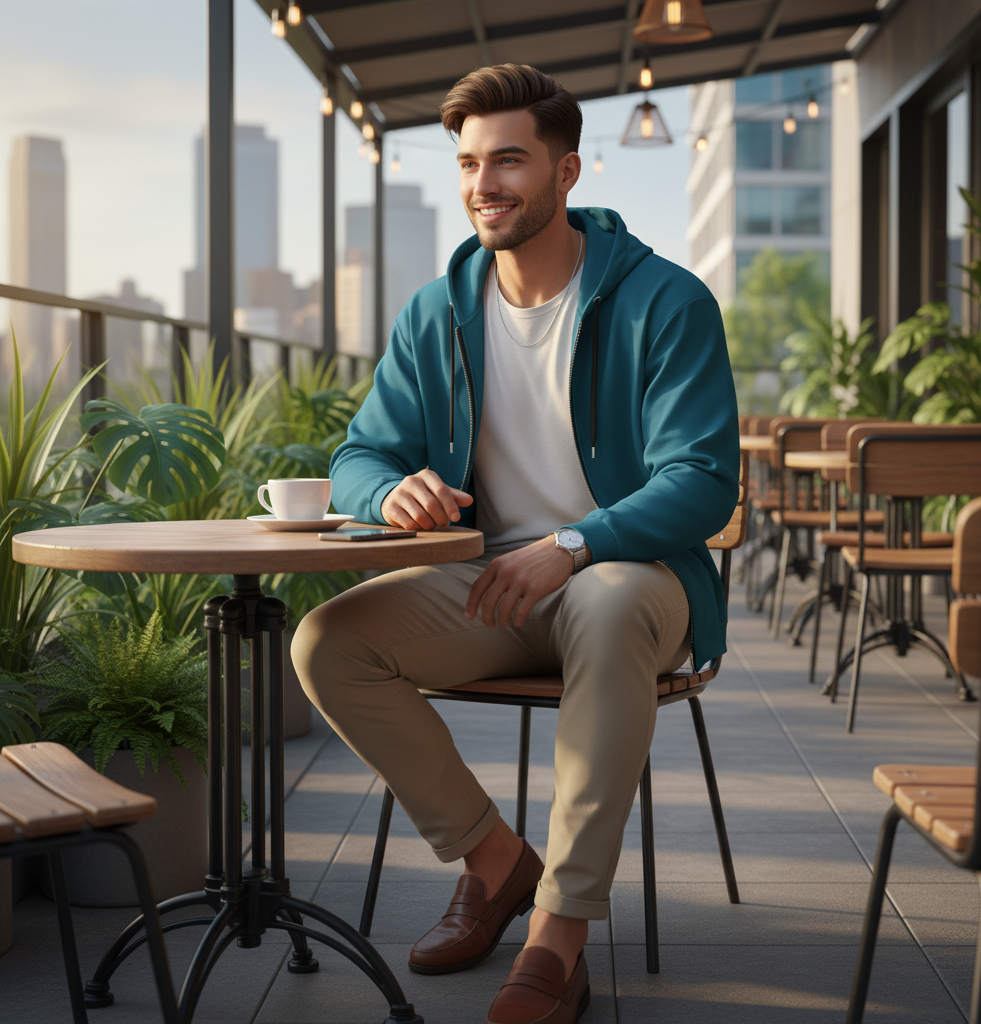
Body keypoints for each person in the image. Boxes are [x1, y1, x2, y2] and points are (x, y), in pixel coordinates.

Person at [293, 63, 739, 1024]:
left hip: (629, 581)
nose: (483, 183)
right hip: (491, 589)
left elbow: (702, 479)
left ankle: (558, 933)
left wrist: (576, 543)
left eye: (508, 160)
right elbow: (359, 455)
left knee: (612, 601)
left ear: (567, 171)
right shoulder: (434, 313)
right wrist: (392, 489)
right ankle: (497, 865)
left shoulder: (667, 301)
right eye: (466, 162)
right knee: (327, 643)